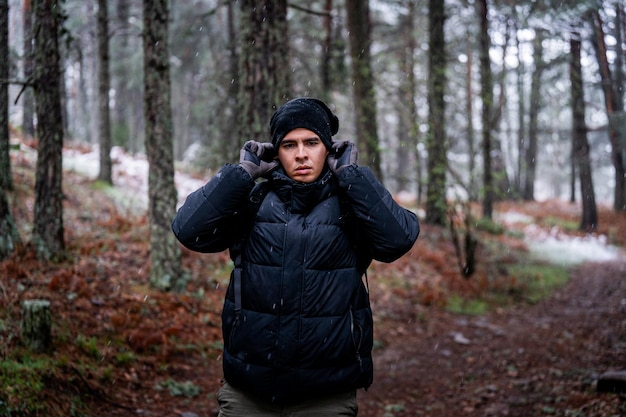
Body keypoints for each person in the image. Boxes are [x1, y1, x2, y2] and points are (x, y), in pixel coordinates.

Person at [172, 97, 420, 416]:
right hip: (248, 392)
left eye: (312, 142)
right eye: (289, 145)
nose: (301, 153)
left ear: (328, 149)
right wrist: (242, 172)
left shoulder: (350, 203)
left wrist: (353, 176)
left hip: (326, 395)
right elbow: (188, 229)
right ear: (277, 153)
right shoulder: (253, 199)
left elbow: (397, 240)